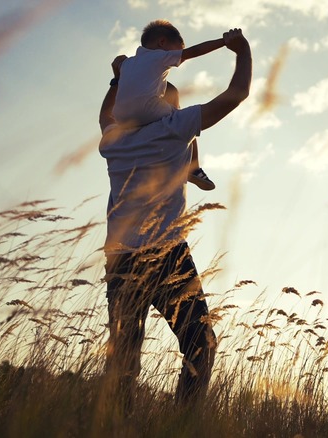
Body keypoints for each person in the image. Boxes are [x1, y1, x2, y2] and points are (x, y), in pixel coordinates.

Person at [97, 28, 252, 412]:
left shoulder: (111, 139)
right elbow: (237, 95)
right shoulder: (174, 128)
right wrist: (242, 51)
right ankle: (180, 425)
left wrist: (119, 77)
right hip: (167, 254)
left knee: (122, 361)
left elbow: (106, 112)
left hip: (120, 259)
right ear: (166, 105)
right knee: (200, 345)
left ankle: (114, 428)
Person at [112, 19, 222, 191]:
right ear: (162, 42)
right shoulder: (159, 56)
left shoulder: (126, 63)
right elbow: (196, 51)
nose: (179, 57)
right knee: (184, 118)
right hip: (146, 108)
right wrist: (224, 41)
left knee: (171, 92)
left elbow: (124, 79)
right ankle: (194, 169)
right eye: (178, 51)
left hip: (119, 117)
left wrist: (116, 74)